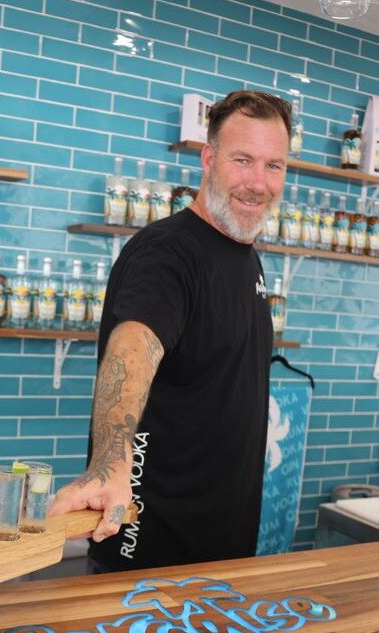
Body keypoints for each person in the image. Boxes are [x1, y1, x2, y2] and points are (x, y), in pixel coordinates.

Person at [49, 90, 292, 573]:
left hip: (223, 544)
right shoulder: (168, 251)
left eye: (274, 166)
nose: (258, 182)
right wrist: (110, 463)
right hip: (148, 544)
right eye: (243, 160)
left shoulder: (246, 258)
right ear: (208, 159)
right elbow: (134, 345)